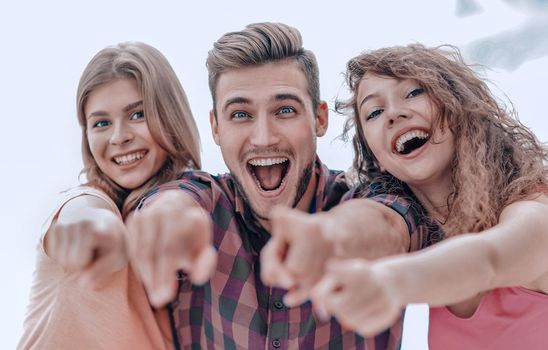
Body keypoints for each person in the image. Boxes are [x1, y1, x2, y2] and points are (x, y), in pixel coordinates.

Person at [126, 22, 435, 349]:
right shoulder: (203, 200)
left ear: (319, 119)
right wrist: (164, 222)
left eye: (284, 110)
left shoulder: (369, 194)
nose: (263, 138)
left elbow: (388, 223)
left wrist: (333, 236)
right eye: (241, 114)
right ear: (216, 127)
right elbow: (174, 204)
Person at [310, 44, 548, 349]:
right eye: (375, 112)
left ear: (457, 105)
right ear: (378, 157)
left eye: (413, 93)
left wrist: (388, 282)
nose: (394, 113)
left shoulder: (533, 210)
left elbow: (488, 260)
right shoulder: (426, 244)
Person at [18, 41, 205, 350]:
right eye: (101, 123)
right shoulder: (86, 200)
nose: (119, 137)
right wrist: (98, 231)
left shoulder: (187, 201)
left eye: (137, 115)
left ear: (170, 115)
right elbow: (85, 216)